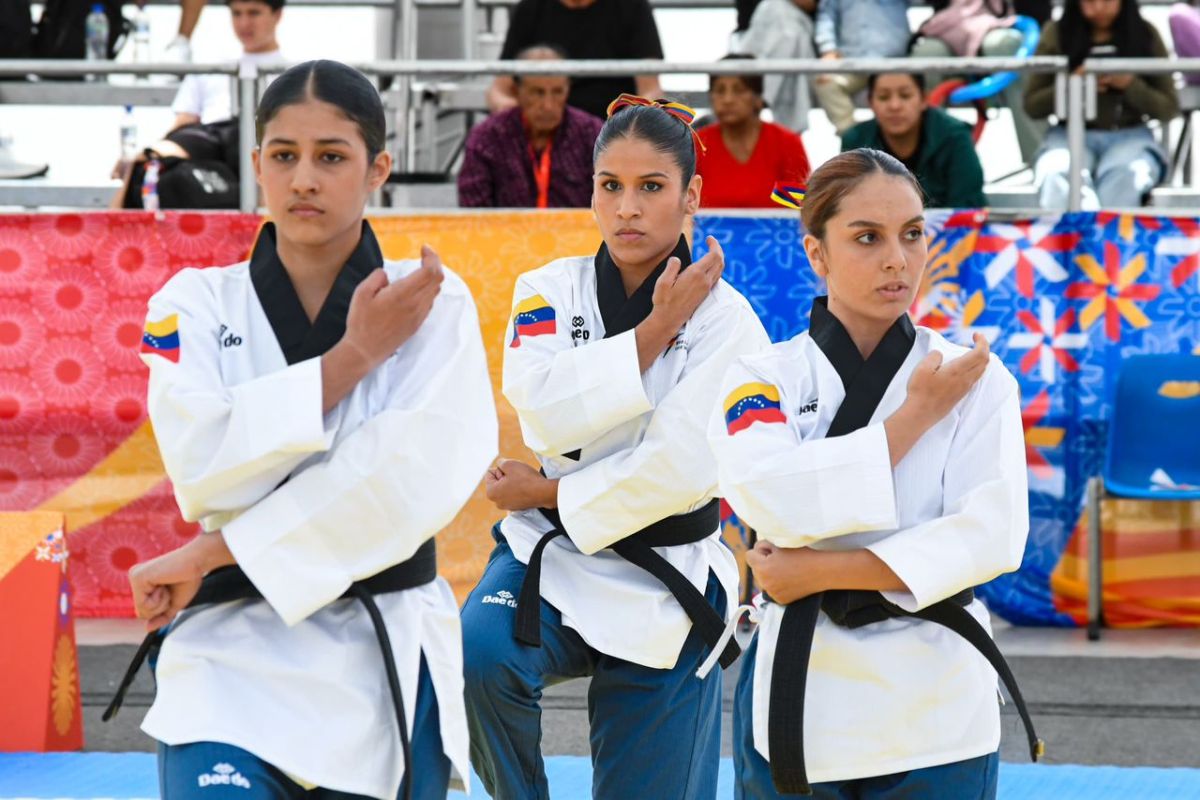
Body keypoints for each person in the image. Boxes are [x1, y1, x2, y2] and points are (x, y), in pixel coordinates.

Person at [114, 60, 498, 800]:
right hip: (229, 653)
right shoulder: (192, 304)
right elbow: (202, 466)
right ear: (256, 165)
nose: (304, 179)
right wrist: (353, 357)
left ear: (378, 168)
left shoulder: (434, 308)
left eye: (331, 157)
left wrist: (218, 548)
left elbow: (405, 485)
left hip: (380, 646)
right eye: (284, 156)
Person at [460, 95, 771, 800]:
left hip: (671, 569)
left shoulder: (730, 322)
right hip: (555, 553)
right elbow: (542, 418)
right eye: (611, 186)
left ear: (691, 196)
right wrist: (654, 331)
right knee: (477, 655)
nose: (627, 208)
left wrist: (546, 492)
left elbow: (680, 468)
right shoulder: (548, 290)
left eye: (651, 188)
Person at [709, 149, 1037, 799]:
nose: (898, 259)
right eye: (868, 237)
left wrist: (820, 570)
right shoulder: (762, 376)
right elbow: (772, 507)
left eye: (913, 234)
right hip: (804, 698)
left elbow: (990, 537)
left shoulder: (974, 375)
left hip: (937, 704)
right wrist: (912, 419)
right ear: (817, 254)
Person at [1024, 0, 1178, 209]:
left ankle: (1108, 239)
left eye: (1107, 0)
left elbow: (1168, 107)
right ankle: (1075, 238)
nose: (1098, 8)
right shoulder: (1057, 33)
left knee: (1124, 175)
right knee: (1058, 176)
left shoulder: (1144, 34)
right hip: (1068, 134)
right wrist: (1074, 84)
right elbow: (1032, 105)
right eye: (1089, 1)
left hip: (1130, 134)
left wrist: (1129, 84)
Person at [459, 45, 603, 208]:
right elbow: (473, 211)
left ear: (568, 90)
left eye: (557, 92)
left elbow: (612, 204)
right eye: (537, 92)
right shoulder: (487, 138)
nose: (548, 105)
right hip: (503, 232)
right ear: (516, 91)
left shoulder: (591, 134)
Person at [486, 0, 665, 121]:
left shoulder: (631, 6)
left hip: (612, 133)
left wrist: (625, 127)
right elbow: (500, 90)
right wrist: (514, 120)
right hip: (545, 131)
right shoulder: (532, 7)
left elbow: (650, 91)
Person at [841, 73, 987, 208]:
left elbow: (967, 207)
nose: (894, 106)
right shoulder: (854, 141)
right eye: (884, 97)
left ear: (924, 99)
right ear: (871, 103)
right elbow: (849, 208)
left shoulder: (956, 137)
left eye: (905, 96)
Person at [697, 56, 811, 209]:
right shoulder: (696, 144)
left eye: (739, 90)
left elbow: (799, 211)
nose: (728, 99)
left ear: (758, 98)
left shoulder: (787, 143)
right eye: (719, 90)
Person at [812, 0, 911, 135]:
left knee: (900, 96)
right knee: (825, 80)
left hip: (893, 65)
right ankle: (852, 138)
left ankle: (895, 139)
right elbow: (826, 17)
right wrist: (828, 50)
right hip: (852, 63)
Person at [734, 0, 817, 132]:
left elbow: (810, 3)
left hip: (803, 40)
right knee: (780, 17)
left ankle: (760, 95)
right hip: (757, 39)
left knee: (790, 34)